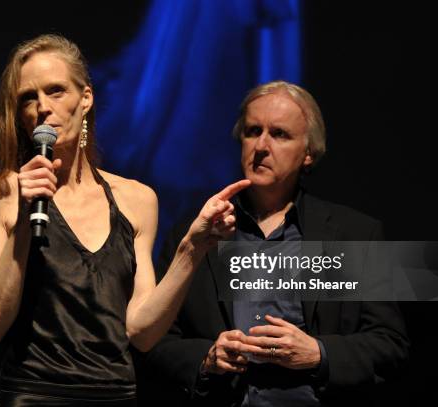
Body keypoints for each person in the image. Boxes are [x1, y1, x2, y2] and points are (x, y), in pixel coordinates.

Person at [0, 34, 250, 406]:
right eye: (29, 97)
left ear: (85, 98)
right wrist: (25, 221)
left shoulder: (137, 200)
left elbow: (141, 331)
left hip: (115, 397)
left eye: (56, 91)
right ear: (21, 115)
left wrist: (193, 247)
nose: (43, 107)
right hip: (33, 395)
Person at [140, 81, 410, 406]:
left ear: (309, 153)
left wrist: (318, 353)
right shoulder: (197, 234)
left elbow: (389, 344)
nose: (261, 146)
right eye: (253, 131)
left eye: (280, 134)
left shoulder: (353, 234)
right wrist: (207, 358)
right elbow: (153, 341)